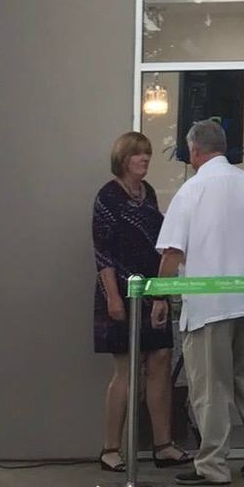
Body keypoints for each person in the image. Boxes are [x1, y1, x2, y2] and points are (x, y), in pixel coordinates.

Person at [156, 118, 244, 487]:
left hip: (210, 304)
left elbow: (173, 251)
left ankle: (212, 463)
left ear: (194, 151)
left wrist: (160, 293)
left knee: (209, 385)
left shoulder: (193, 190)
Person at [91, 131, 188, 470]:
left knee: (161, 359)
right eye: (137, 155)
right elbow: (102, 254)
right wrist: (114, 298)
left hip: (151, 288)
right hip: (119, 289)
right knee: (127, 368)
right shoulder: (107, 197)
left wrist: (161, 294)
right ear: (123, 159)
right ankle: (110, 449)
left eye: (147, 154)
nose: (144, 160)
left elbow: (158, 244)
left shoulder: (147, 194)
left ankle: (163, 444)